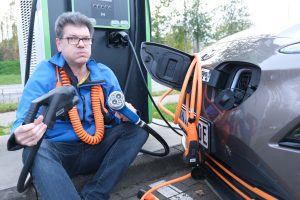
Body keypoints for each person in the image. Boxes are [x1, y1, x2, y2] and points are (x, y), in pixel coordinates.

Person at [7, 12, 148, 200]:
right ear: (59, 44)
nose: (81, 44)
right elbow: (22, 120)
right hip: (59, 153)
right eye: (72, 38)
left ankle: (94, 194)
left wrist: (127, 114)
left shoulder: (104, 73)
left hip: (97, 149)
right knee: (35, 150)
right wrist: (19, 134)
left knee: (138, 131)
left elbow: (117, 111)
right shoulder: (44, 73)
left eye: (85, 39)